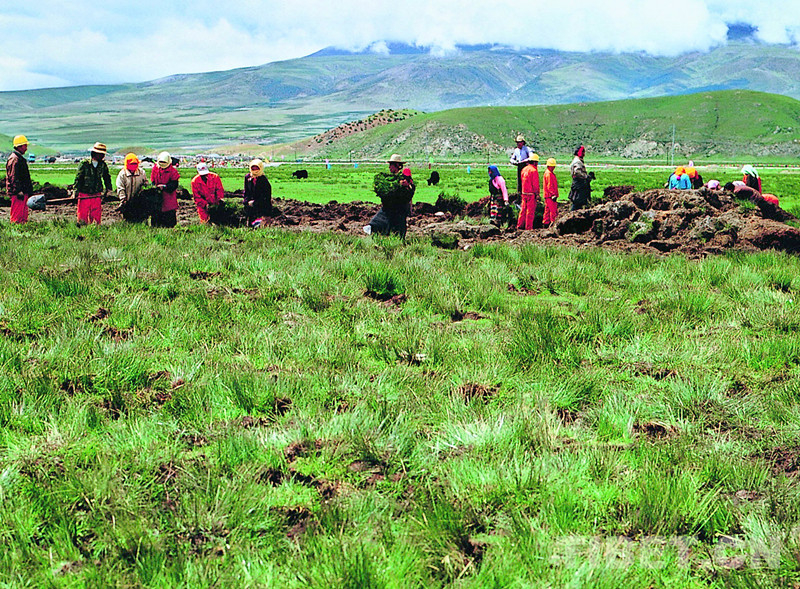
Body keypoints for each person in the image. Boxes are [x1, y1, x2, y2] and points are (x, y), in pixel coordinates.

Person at [364, 154, 415, 238]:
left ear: (397, 165)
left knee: (398, 228)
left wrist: (405, 186)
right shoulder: (388, 179)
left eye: (391, 165)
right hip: (389, 207)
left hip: (399, 209)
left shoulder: (404, 178)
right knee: (379, 222)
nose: (389, 167)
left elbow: (410, 191)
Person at [73, 142, 112, 225]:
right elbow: (78, 178)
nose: (103, 156)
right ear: (95, 153)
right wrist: (75, 191)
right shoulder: (84, 164)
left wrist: (108, 189)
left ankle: (95, 228)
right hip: (84, 192)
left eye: (103, 154)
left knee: (96, 213)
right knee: (83, 213)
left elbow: (107, 177)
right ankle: (82, 228)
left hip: (96, 192)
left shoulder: (103, 165)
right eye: (101, 154)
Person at [5, 135, 33, 224]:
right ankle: (16, 229)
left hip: (22, 191)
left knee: (23, 216)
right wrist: (18, 190)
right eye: (25, 146)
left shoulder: (17, 158)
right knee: (17, 217)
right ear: (19, 146)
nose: (26, 148)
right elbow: (13, 177)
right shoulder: (15, 159)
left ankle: (22, 228)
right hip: (18, 192)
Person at [116, 153, 151, 222]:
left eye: (135, 164)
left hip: (140, 202)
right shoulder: (122, 174)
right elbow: (120, 188)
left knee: (141, 220)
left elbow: (146, 185)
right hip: (127, 202)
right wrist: (123, 200)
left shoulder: (141, 173)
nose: (133, 165)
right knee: (128, 221)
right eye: (132, 164)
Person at [150, 151, 180, 227]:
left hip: (168, 199)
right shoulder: (155, 169)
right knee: (156, 223)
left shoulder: (173, 171)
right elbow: (152, 181)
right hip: (157, 200)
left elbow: (174, 185)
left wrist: (164, 187)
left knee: (169, 223)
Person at [243, 158, 272, 226]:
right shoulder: (248, 177)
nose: (255, 170)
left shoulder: (263, 180)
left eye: (257, 168)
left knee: (261, 226)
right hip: (251, 208)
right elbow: (246, 191)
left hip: (262, 208)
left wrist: (255, 202)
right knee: (250, 226)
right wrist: (246, 201)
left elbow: (266, 196)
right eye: (253, 168)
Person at [517, 154, 539, 230]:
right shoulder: (534, 171)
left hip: (524, 193)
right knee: (530, 212)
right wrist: (537, 194)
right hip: (531, 194)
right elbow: (535, 184)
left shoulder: (524, 169)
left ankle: (520, 226)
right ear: (535, 162)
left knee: (523, 210)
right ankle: (528, 228)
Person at [569, 145, 592, 210]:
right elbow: (577, 172)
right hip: (578, 185)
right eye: (583, 152)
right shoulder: (577, 162)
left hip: (578, 184)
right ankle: (573, 214)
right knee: (577, 202)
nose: (584, 154)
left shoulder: (577, 160)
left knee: (578, 202)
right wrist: (586, 176)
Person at [543, 158, 559, 227]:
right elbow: (549, 186)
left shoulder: (548, 173)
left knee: (547, 211)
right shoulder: (549, 174)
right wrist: (553, 194)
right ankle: (553, 224)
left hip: (547, 195)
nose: (554, 168)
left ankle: (545, 224)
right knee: (553, 211)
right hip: (550, 196)